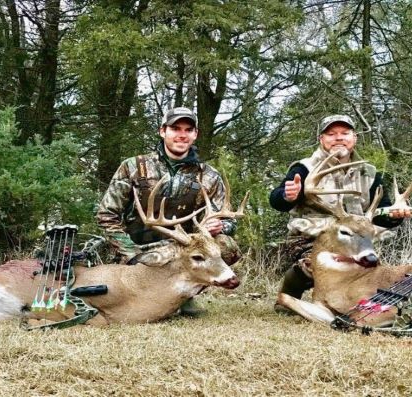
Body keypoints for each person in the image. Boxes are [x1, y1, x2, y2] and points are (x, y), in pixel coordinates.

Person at [96, 107, 240, 316]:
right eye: (175, 128)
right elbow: (106, 215)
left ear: (195, 134)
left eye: (188, 129)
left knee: (226, 245)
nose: (182, 135)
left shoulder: (209, 175)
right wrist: (131, 253)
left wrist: (220, 225)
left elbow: (229, 221)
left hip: (185, 250)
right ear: (162, 131)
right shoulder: (134, 166)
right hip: (140, 247)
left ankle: (186, 295)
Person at [269, 114, 410, 312]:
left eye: (345, 133)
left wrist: (393, 214)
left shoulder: (369, 173)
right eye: (331, 134)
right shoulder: (305, 168)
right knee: (311, 266)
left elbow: (379, 214)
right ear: (322, 139)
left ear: (354, 138)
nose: (338, 138)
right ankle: (291, 292)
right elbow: (276, 200)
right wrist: (287, 195)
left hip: (355, 240)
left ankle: (351, 304)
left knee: (370, 272)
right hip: (313, 238)